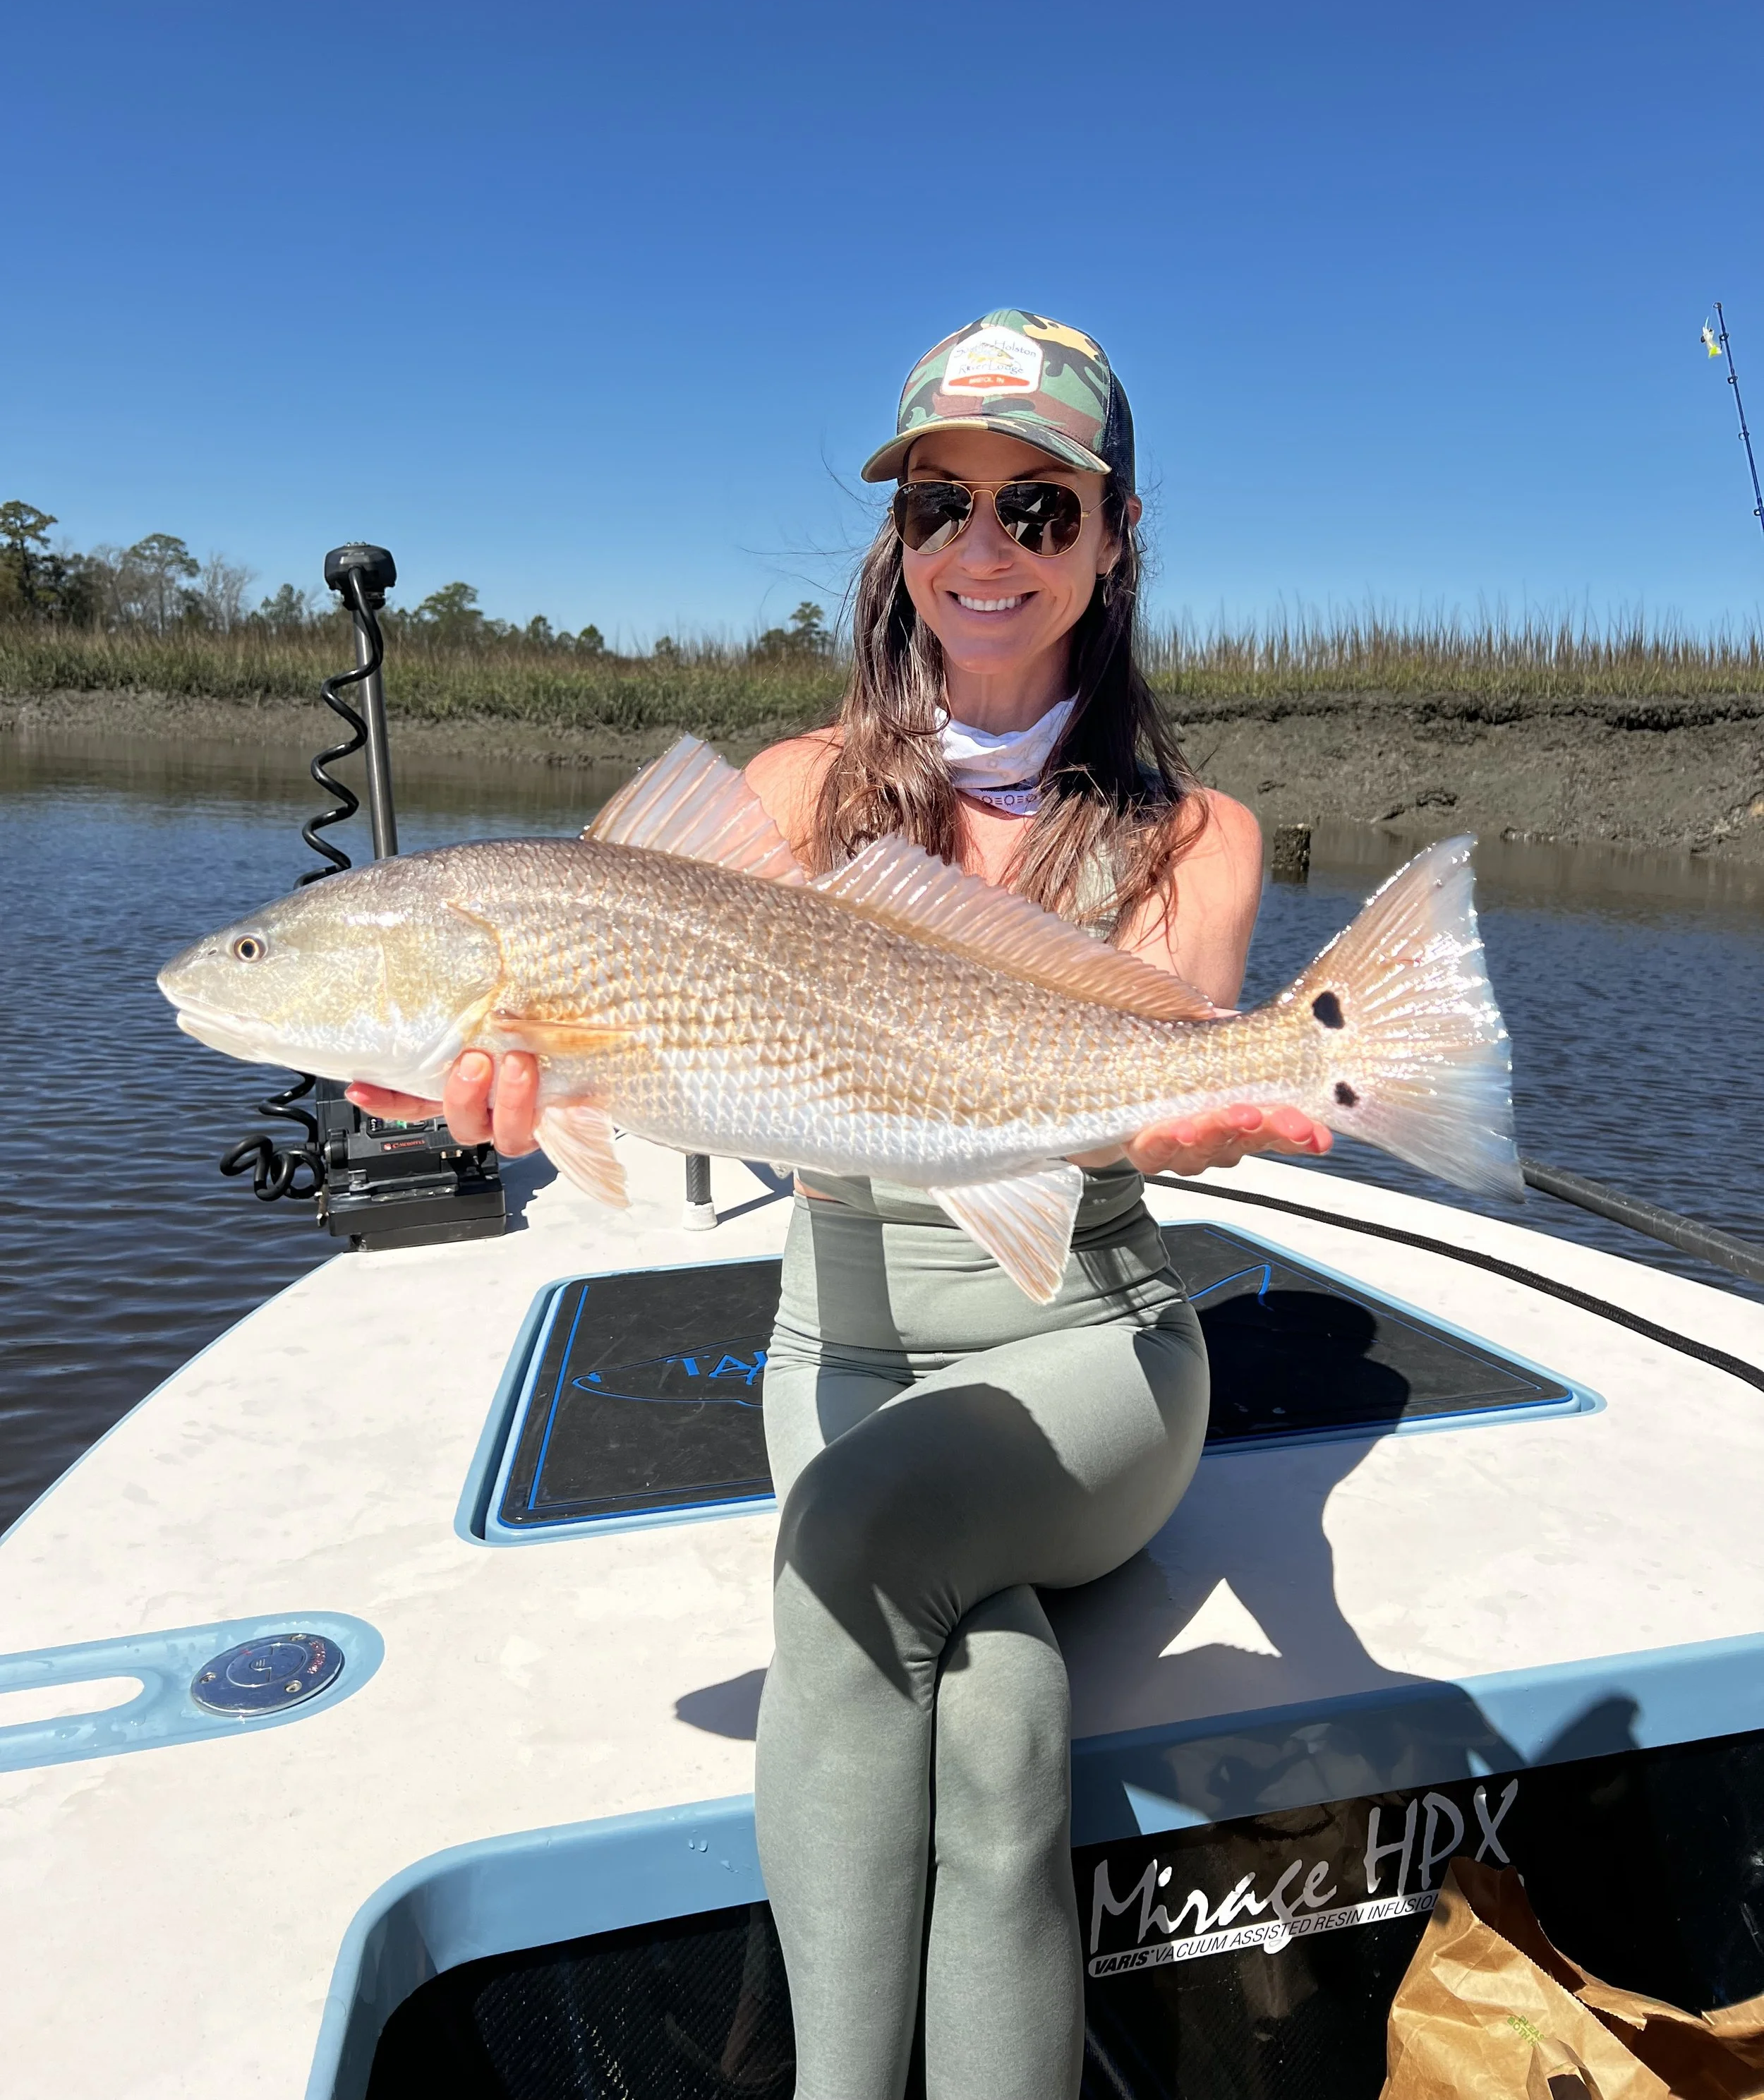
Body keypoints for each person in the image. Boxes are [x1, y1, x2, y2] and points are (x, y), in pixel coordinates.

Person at [351, 309, 1329, 2099]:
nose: (980, 548)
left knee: (863, 1548)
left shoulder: (1198, 835)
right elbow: (594, 1012)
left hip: (1091, 1353)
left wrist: (1205, 1108)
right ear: (896, 542)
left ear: (1111, 546)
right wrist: (505, 1090)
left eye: (1038, 509)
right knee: (1003, 1702)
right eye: (938, 504)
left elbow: (1161, 1075)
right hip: (844, 1350)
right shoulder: (781, 798)